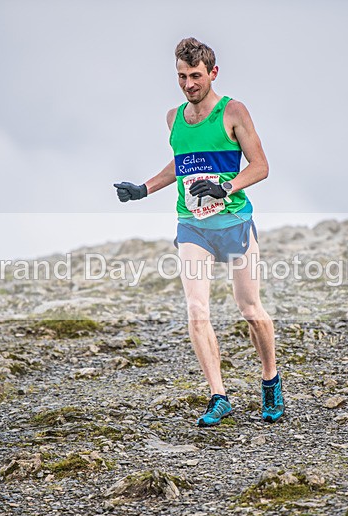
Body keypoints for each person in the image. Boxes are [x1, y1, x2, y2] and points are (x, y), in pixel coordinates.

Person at [114, 37, 284, 427]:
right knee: (196, 309)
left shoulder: (233, 112)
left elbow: (260, 166)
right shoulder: (174, 118)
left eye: (195, 76)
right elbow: (181, 164)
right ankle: (218, 395)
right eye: (181, 76)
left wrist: (225, 187)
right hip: (193, 227)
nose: (188, 84)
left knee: (250, 309)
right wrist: (144, 188)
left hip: (235, 223)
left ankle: (270, 381)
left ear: (212, 73)